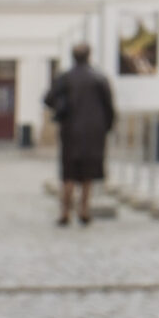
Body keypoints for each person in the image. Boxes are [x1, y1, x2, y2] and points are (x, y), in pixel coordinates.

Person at [43, 43, 115, 226]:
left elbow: (48, 98)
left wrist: (61, 108)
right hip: (93, 132)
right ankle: (84, 210)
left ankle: (65, 212)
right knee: (87, 175)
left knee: (68, 174)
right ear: (89, 56)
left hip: (70, 131)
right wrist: (106, 127)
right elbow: (109, 107)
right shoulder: (99, 78)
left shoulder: (65, 78)